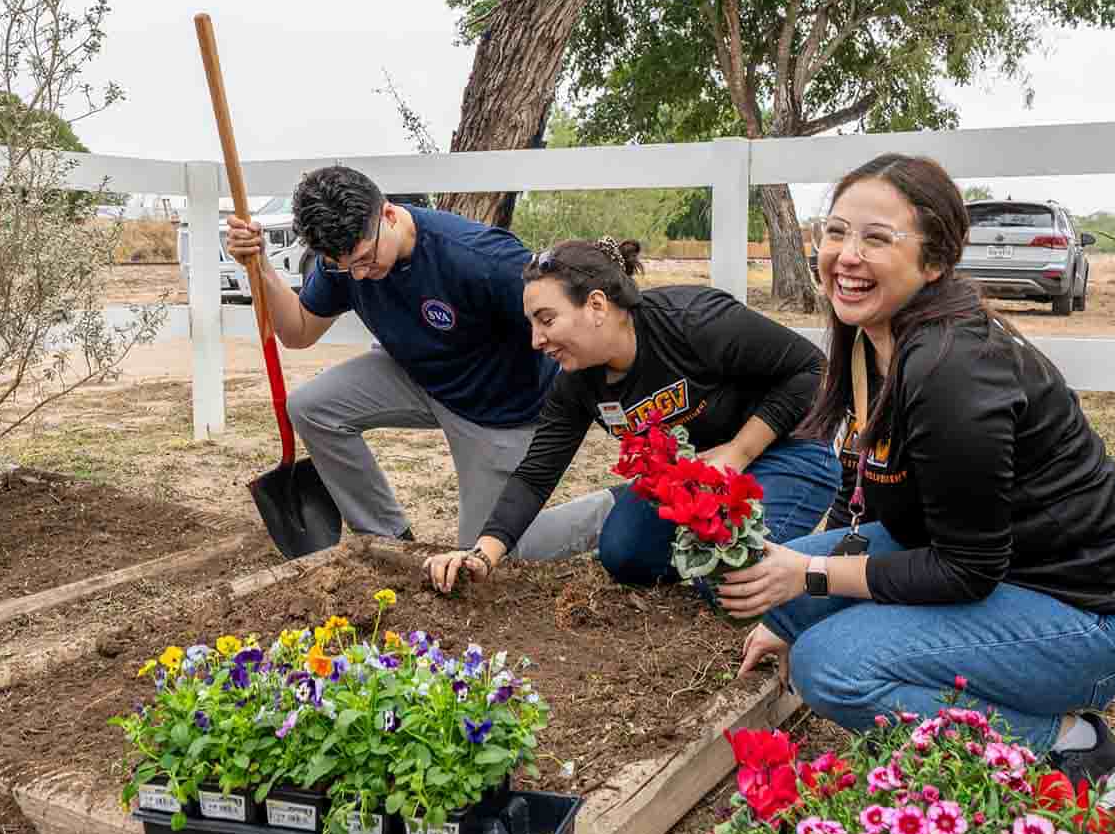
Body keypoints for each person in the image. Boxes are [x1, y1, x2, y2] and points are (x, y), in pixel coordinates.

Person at [717, 153, 1115, 790]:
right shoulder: (869, 339)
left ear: (933, 263)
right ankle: (912, 660)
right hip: (990, 563)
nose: (846, 255)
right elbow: (876, 504)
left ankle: (1073, 747)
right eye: (837, 231)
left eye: (877, 239)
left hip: (1088, 609)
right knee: (786, 597)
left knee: (830, 667)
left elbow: (968, 568)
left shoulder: (951, 370)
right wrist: (799, 596)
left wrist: (814, 576)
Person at [424, 238, 841, 594]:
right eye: (532, 325)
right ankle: (658, 513)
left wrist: (739, 451)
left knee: (733, 586)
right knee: (623, 554)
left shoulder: (692, 321)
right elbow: (537, 472)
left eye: (546, 320)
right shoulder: (577, 383)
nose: (536, 340)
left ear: (597, 305)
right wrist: (481, 555)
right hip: (695, 477)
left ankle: (800, 555)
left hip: (787, 449)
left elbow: (812, 369)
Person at [228, 165, 594, 551]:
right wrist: (261, 266)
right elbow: (298, 331)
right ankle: (388, 541)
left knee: (492, 553)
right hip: (418, 377)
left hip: (497, 409)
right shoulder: (346, 263)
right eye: (346, 267)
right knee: (310, 407)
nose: (360, 276)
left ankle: (606, 513)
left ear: (387, 214)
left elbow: (572, 331)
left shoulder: (481, 258)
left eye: (366, 259)